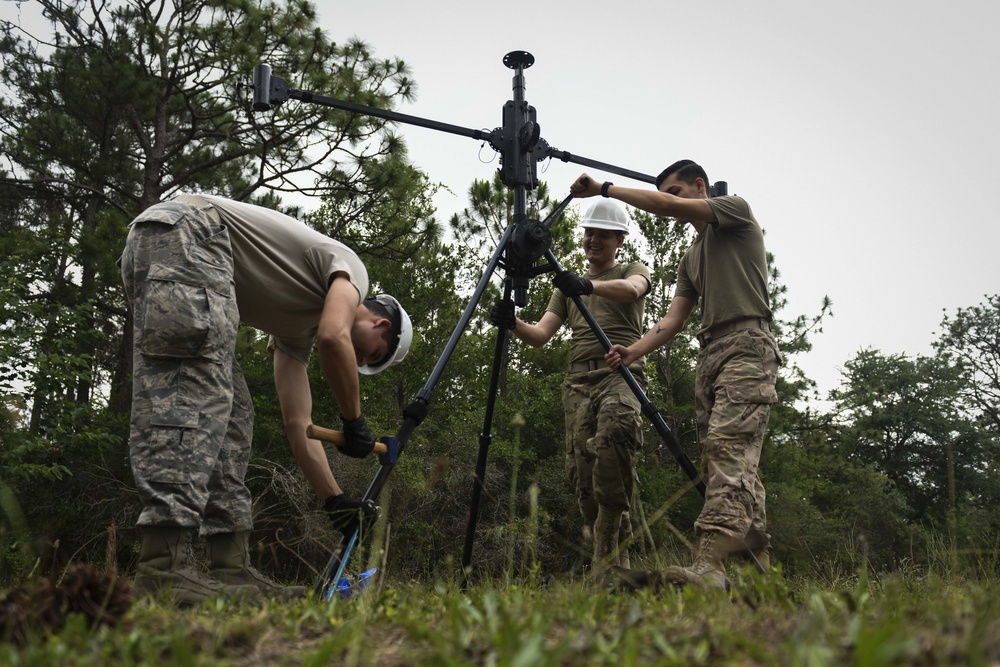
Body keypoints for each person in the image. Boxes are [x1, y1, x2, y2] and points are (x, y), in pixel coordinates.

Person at [119, 193, 412, 604]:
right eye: (371, 353)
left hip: (176, 245)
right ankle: (162, 571)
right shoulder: (352, 275)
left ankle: (230, 571)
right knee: (192, 399)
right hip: (189, 234)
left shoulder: (295, 330)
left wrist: (335, 502)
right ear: (381, 323)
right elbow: (334, 337)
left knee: (233, 416)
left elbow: (299, 424)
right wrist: (354, 420)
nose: (361, 360)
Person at [572, 160, 781, 590]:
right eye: (668, 192)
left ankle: (710, 565)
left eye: (677, 191)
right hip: (712, 356)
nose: (672, 201)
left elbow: (664, 207)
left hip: (748, 345)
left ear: (700, 186)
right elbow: (672, 321)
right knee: (735, 462)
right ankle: (755, 570)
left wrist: (605, 189)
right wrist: (632, 352)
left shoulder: (734, 212)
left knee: (727, 451)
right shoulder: (691, 258)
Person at [490, 199, 650, 583]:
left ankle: (604, 563)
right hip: (577, 383)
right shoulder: (566, 287)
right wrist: (512, 322)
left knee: (615, 435)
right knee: (584, 481)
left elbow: (632, 290)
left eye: (602, 234)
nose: (593, 240)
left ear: (619, 240)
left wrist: (589, 284)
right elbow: (541, 334)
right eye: (589, 233)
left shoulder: (630, 269)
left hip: (620, 375)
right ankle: (616, 567)